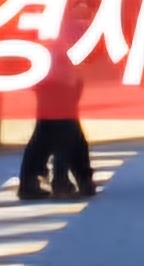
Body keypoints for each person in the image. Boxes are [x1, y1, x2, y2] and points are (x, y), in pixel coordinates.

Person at [16, 66, 94, 201]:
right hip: (61, 78)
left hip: (49, 76)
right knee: (65, 131)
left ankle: (31, 183)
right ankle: (63, 182)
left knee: (47, 131)